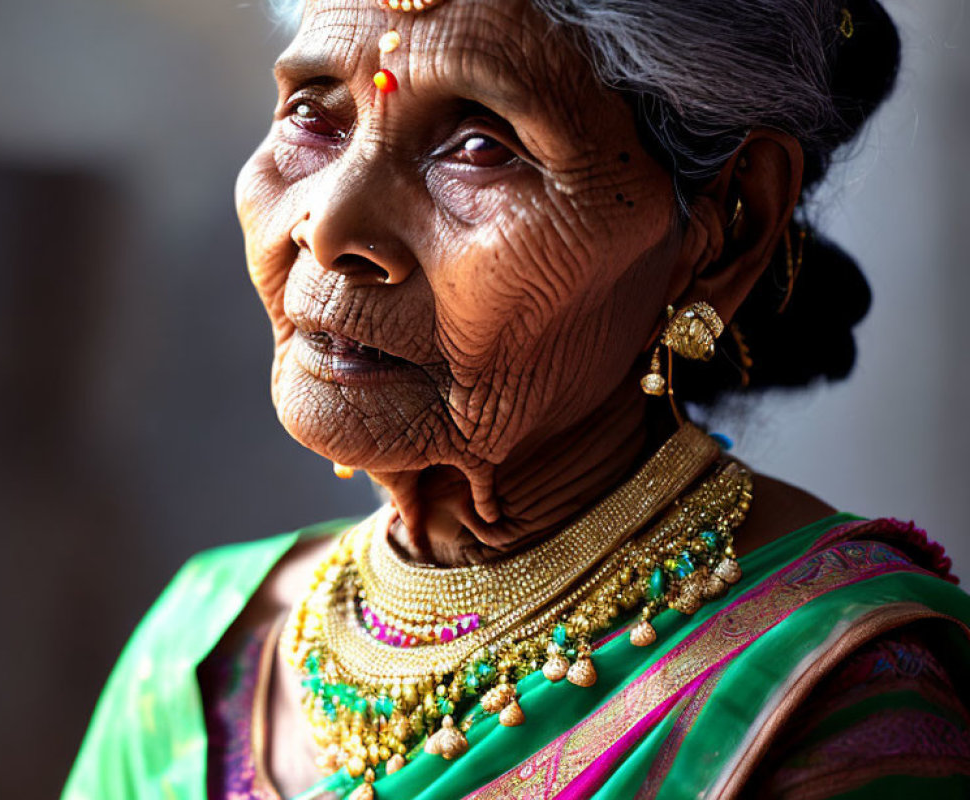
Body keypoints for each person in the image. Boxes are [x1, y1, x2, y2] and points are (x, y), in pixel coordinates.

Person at [63, 0, 970, 798]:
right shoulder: (205, 650)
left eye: (480, 147)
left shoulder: (832, 694)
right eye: (313, 116)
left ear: (729, 225)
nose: (331, 226)